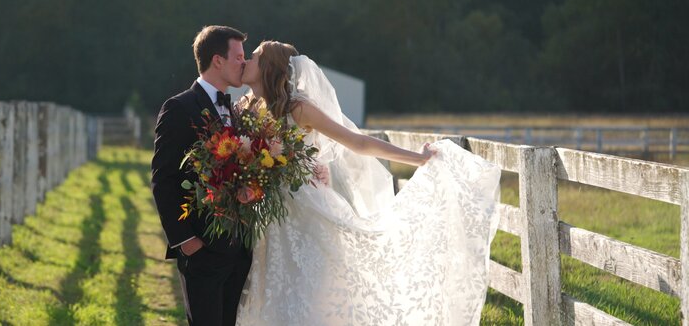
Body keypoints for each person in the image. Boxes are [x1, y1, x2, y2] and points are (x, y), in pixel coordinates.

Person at [234, 41, 502, 325]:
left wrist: (418, 158)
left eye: (252, 57)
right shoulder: (247, 109)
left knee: (311, 296)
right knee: (276, 294)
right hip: (272, 220)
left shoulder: (298, 109)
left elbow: (358, 142)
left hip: (308, 212)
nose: (245, 61)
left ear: (269, 68)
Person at [150, 25, 251, 326]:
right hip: (201, 247)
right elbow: (163, 178)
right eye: (239, 57)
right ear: (217, 61)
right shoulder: (179, 107)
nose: (244, 64)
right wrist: (185, 240)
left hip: (238, 249)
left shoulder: (236, 110)